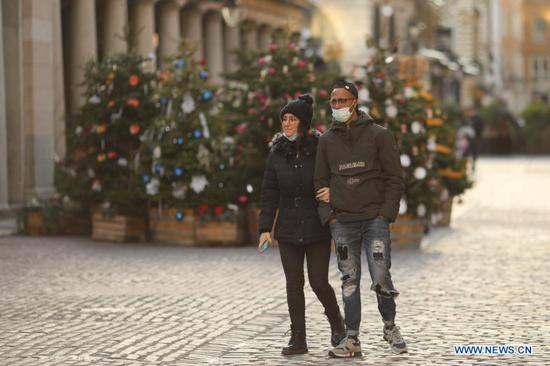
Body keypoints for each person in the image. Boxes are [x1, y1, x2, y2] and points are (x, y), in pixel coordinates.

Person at [314, 80, 408, 357]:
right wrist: (329, 216)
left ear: (354, 102)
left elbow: (395, 179)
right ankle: (352, 338)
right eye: (333, 102)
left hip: (374, 220)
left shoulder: (379, 135)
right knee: (349, 279)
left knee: (381, 275)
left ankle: (390, 326)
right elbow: (318, 181)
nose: (337, 106)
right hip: (342, 223)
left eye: (342, 101)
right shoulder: (327, 141)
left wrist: (385, 214)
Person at [258, 94, 345, 355]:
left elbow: (335, 178)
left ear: (303, 123)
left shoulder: (320, 149)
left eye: (292, 119)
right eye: (283, 119)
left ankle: (337, 323)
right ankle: (298, 339)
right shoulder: (276, 153)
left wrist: (332, 194)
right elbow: (269, 193)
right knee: (293, 284)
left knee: (318, 281)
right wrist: (265, 229)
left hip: (316, 227)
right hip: (287, 229)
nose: (286, 123)